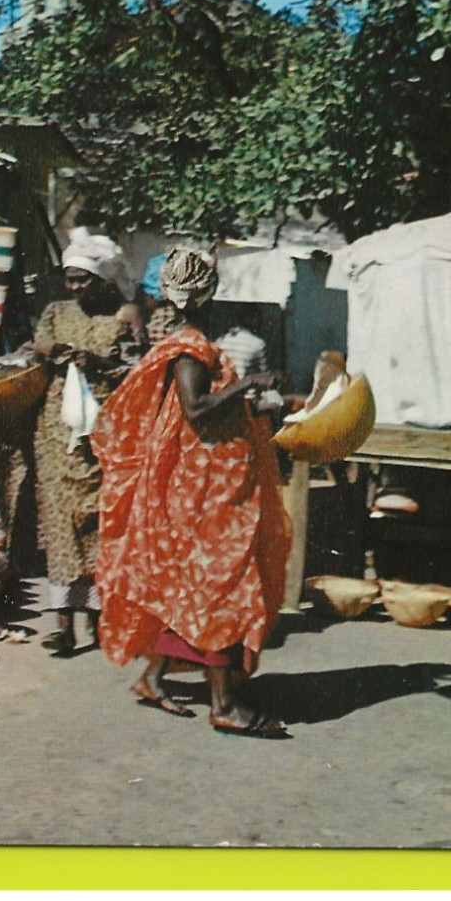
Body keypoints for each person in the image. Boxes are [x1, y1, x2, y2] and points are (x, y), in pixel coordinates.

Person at [91, 248, 292, 737]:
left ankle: (154, 678)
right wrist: (248, 383)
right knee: (220, 583)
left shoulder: (185, 341)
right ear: (208, 293)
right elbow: (197, 408)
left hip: (200, 480)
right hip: (203, 489)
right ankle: (225, 703)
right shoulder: (191, 349)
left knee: (192, 582)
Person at [30, 229, 147, 657]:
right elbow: (37, 345)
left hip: (106, 431)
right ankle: (63, 625)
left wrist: (99, 362)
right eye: (71, 279)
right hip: (58, 433)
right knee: (61, 525)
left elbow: (141, 368)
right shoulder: (56, 311)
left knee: (100, 524)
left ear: (102, 280)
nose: (75, 287)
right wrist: (52, 350)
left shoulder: (126, 313)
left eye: (83, 280)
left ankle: (100, 622)